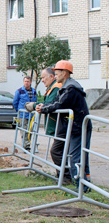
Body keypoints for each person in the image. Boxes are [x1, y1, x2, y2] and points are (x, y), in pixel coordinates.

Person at [36, 60, 92, 191]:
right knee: (77, 156)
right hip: (75, 127)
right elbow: (56, 102)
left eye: (57, 73)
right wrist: (43, 106)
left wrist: (44, 109)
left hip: (79, 127)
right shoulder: (65, 87)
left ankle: (81, 187)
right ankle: (82, 185)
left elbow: (60, 104)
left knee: (76, 157)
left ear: (65, 73)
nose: (55, 76)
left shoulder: (71, 88)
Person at [26, 68, 68, 182]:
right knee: (60, 151)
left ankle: (65, 177)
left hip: (60, 125)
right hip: (57, 124)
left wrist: (35, 106)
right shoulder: (52, 88)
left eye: (44, 77)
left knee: (58, 151)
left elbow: (49, 103)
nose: (42, 80)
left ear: (52, 77)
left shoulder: (56, 88)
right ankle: (63, 176)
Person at [13, 76, 37, 149]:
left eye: (28, 81)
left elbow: (35, 101)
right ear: (23, 82)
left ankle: (27, 143)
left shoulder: (33, 91)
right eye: (25, 81)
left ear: (30, 82)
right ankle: (26, 146)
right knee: (24, 130)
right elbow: (15, 102)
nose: (26, 83)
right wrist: (19, 111)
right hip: (22, 115)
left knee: (30, 130)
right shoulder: (19, 91)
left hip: (31, 115)